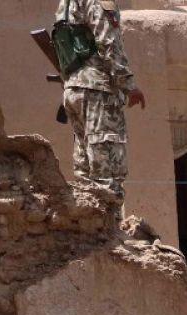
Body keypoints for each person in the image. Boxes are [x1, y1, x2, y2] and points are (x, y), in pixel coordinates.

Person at [56, 0, 146, 201]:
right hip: (97, 89)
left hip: (74, 88)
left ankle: (90, 222)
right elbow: (108, 43)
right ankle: (109, 225)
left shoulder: (66, 3)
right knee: (107, 173)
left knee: (85, 169)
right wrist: (128, 85)